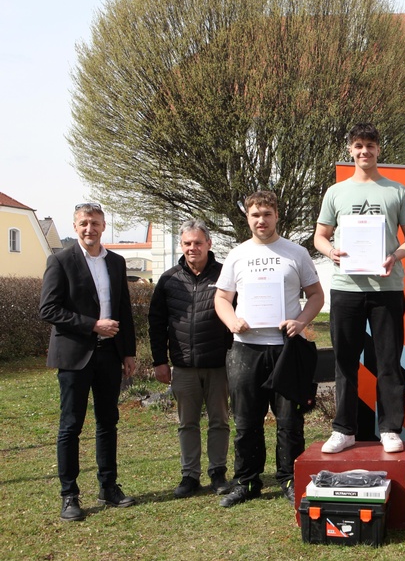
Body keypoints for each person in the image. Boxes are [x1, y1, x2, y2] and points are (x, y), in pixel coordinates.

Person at [314, 123, 405, 455]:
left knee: (388, 361)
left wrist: (395, 255)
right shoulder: (336, 192)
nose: (364, 152)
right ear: (350, 150)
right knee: (344, 361)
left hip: (386, 287)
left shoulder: (396, 191)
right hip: (346, 287)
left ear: (378, 149)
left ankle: (390, 428)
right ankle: (344, 429)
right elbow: (320, 236)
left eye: (370, 146)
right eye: (358, 146)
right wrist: (330, 251)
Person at [214, 191, 325, 507]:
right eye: (255, 215)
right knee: (246, 421)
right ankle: (247, 483)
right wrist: (232, 321)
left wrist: (301, 321)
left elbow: (316, 295)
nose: (261, 220)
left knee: (290, 421)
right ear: (247, 218)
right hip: (245, 349)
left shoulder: (296, 253)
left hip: (286, 349)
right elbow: (221, 299)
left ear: (277, 215)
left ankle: (291, 479)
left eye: (267, 214)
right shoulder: (237, 255)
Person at [39, 202, 138, 521]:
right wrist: (92, 324)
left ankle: (108, 486)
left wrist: (128, 351)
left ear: (104, 226)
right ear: (75, 225)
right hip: (73, 355)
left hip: (109, 355)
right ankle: (69, 495)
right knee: (71, 425)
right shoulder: (60, 260)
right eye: (83, 223)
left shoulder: (116, 262)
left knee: (108, 422)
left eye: (95, 223)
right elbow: (49, 310)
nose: (89, 228)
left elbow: (123, 309)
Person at [149, 219, 232, 498]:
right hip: (183, 366)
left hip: (219, 364)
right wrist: (160, 361)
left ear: (209, 244)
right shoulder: (169, 280)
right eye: (187, 243)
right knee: (187, 423)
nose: (192, 248)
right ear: (181, 245)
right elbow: (156, 322)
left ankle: (218, 472)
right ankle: (189, 475)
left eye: (198, 242)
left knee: (219, 421)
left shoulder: (225, 276)